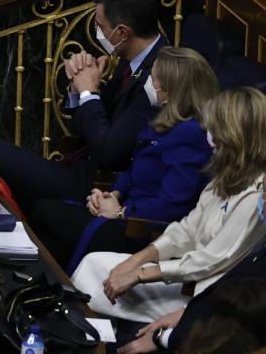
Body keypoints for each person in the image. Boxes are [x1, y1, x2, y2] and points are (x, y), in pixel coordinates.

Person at [70, 87, 266, 324]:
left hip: (206, 294)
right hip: (183, 273)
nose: (210, 137)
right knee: (93, 263)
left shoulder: (257, 194)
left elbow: (211, 260)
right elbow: (186, 229)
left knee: (94, 280)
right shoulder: (224, 177)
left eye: (216, 129)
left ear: (235, 134)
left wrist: (141, 275)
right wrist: (136, 261)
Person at [0, 0, 164, 213]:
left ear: (123, 32)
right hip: (81, 165)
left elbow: (109, 154)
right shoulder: (130, 58)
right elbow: (92, 127)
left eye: (101, 27)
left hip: (101, 186)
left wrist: (89, 92)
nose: (99, 34)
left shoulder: (158, 79)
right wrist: (79, 89)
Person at [30, 47, 218, 272]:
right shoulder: (164, 122)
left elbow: (172, 205)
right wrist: (113, 195)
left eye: (153, 78)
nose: (147, 81)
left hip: (140, 232)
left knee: (44, 212)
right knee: (48, 225)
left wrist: (121, 212)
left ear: (169, 91)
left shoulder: (192, 135)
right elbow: (133, 169)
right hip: (123, 212)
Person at [116, 185, 266, 353]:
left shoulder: (250, 199)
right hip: (193, 317)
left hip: (202, 336)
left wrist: (163, 338)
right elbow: (188, 229)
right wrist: (184, 313)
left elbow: (240, 321)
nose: (262, 200)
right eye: (263, 191)